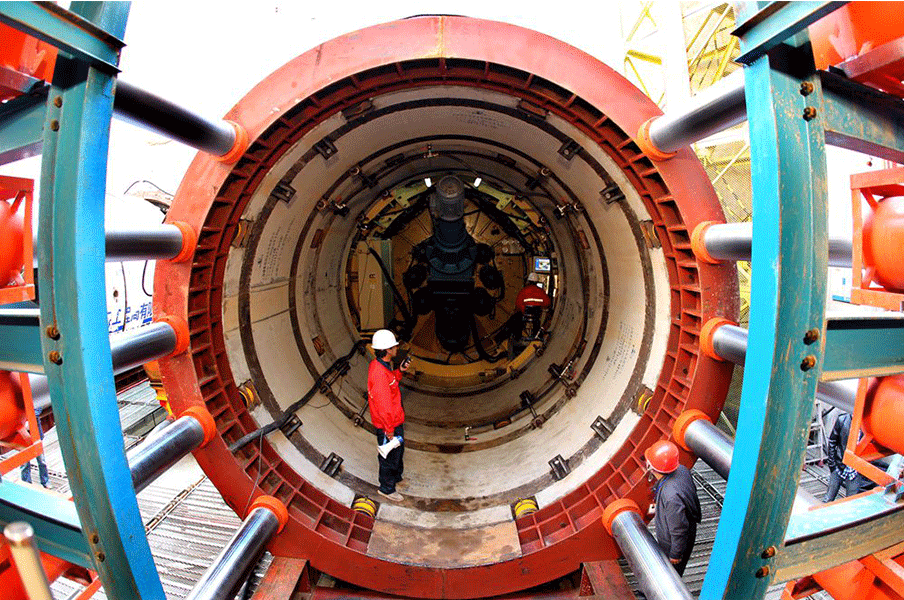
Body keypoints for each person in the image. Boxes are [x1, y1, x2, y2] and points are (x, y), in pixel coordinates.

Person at [646, 440, 701, 576]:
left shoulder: (671, 497)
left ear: (650, 467)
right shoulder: (681, 470)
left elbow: (678, 530)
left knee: (671, 574)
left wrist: (675, 554)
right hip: (685, 523)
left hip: (674, 543)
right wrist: (660, 506)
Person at [368, 329, 410, 502]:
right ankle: (386, 489)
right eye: (394, 346)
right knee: (389, 457)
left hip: (395, 420)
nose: (397, 348)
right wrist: (389, 429)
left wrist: (400, 371)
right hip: (388, 424)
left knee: (398, 452)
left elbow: (391, 383)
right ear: (387, 350)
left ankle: (396, 477)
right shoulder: (379, 373)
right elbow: (384, 406)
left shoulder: (383, 366)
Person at [824, 411, 860, 501]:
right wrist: (832, 465)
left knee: (851, 502)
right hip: (839, 465)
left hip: (855, 471)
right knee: (828, 498)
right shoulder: (842, 420)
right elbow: (832, 442)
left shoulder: (866, 426)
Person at [515, 273, 551, 338]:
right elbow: (547, 303)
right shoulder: (541, 292)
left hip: (525, 316)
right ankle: (537, 335)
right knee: (538, 320)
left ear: (528, 281)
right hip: (536, 316)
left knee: (516, 317)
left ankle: (518, 336)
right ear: (537, 282)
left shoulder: (523, 291)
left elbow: (518, 305)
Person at [21, 407, 49, 488]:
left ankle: (45, 482)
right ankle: (26, 484)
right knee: (24, 464)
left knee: (42, 461)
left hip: (35, 435)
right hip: (22, 436)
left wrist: (28, 416)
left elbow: (38, 407)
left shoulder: (32, 402)